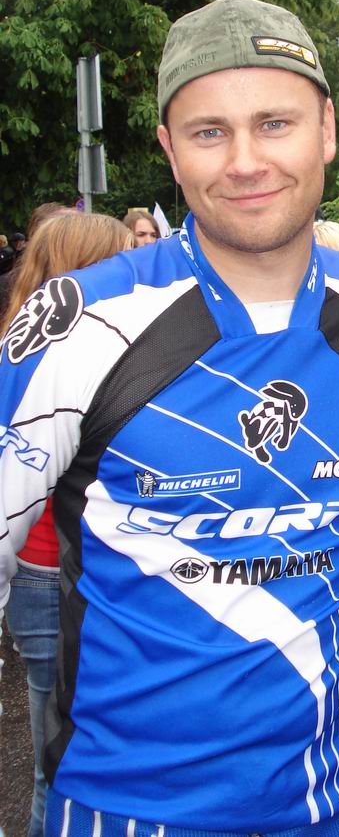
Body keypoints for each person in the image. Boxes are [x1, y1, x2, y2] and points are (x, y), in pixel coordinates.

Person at [0, 0, 339, 837]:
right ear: (168, 148)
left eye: (275, 123)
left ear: (327, 130)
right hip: (128, 809)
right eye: (208, 132)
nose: (245, 162)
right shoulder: (80, 320)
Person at [1, 212, 134, 837]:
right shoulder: (45, 358)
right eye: (117, 260)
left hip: (69, 573)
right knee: (58, 763)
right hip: (49, 573)